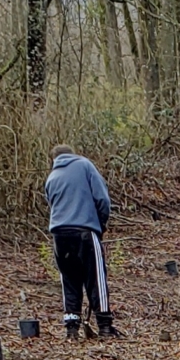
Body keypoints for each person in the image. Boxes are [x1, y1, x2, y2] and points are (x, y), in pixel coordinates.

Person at [44, 144, 114, 337]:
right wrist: (100, 224)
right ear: (72, 154)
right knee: (95, 278)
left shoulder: (51, 177)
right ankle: (105, 326)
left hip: (59, 234)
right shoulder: (84, 165)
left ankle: (72, 327)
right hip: (85, 229)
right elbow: (102, 199)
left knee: (69, 279)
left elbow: (51, 204)